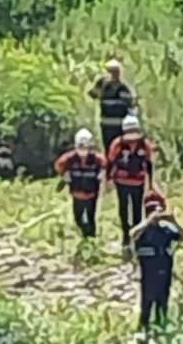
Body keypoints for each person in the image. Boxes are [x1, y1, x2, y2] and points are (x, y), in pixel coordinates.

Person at [128, 191, 183, 335]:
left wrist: (173, 221)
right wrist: (149, 221)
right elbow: (132, 234)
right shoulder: (143, 230)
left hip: (165, 272)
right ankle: (143, 332)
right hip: (148, 275)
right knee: (146, 305)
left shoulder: (166, 229)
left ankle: (161, 330)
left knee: (162, 305)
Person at [106, 114, 155, 248]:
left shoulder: (144, 144)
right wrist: (108, 180)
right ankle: (126, 237)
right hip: (121, 182)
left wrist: (151, 184)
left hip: (138, 182)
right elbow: (110, 162)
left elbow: (149, 164)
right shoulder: (117, 144)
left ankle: (137, 237)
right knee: (123, 209)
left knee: (137, 210)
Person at [53, 128, 106, 239]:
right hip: (76, 194)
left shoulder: (97, 159)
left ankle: (91, 239)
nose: (83, 150)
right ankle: (84, 234)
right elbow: (58, 165)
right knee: (78, 219)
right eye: (80, 146)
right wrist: (64, 175)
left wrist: (102, 175)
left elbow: (105, 165)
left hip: (91, 194)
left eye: (86, 146)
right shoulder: (70, 158)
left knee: (91, 219)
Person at [88, 58, 137, 154]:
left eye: (116, 72)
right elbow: (92, 94)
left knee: (119, 150)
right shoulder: (102, 84)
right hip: (106, 124)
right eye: (111, 71)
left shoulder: (123, 88)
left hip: (120, 126)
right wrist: (100, 86)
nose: (113, 74)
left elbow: (131, 105)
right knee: (108, 150)